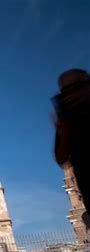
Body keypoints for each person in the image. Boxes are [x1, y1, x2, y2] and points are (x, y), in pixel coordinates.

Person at [53, 69, 90, 210]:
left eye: (77, 86)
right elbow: (61, 158)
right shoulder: (68, 118)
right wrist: (64, 134)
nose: (72, 93)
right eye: (66, 90)